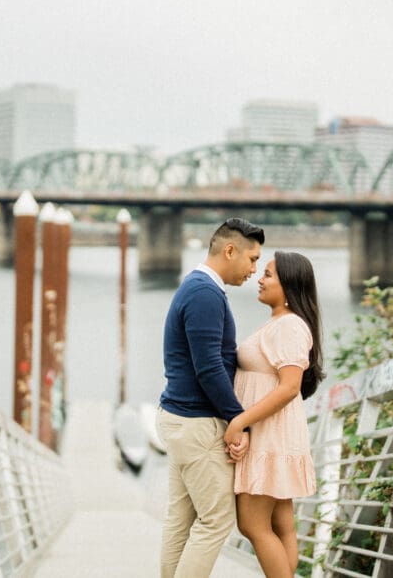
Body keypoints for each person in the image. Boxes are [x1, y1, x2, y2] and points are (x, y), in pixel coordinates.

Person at [157, 217, 266, 578]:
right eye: (252, 259)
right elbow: (208, 369)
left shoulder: (198, 287)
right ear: (229, 250)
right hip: (195, 423)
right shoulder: (205, 293)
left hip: (180, 420)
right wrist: (241, 420)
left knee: (181, 520)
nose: (255, 269)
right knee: (217, 520)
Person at [224, 251, 324, 578]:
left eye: (268, 274)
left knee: (252, 524)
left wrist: (241, 421)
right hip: (272, 431)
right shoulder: (280, 323)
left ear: (289, 284)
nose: (260, 279)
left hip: (270, 434)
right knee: (281, 526)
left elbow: (289, 386)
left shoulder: (290, 326)